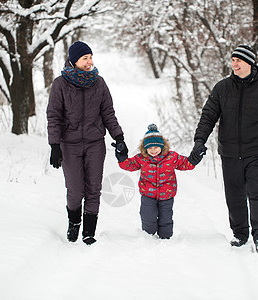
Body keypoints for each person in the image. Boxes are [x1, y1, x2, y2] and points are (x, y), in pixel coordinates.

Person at [192, 45, 258, 254]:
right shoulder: (222, 88)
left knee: (257, 192)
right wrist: (200, 140)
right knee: (234, 195)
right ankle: (240, 233)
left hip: (257, 151)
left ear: (250, 63)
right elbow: (208, 116)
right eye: (233, 60)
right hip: (230, 152)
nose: (234, 64)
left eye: (239, 60)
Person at [47, 41, 127, 245]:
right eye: (85, 58)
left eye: (91, 57)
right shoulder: (60, 84)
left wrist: (118, 137)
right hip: (69, 144)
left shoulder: (98, 83)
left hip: (94, 144)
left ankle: (89, 232)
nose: (90, 61)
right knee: (75, 190)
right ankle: (74, 223)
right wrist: (55, 145)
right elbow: (54, 116)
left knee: (94, 189)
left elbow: (108, 113)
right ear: (74, 60)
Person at [114, 124, 206, 239]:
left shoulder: (171, 157)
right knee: (148, 217)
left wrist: (196, 156)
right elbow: (128, 165)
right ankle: (148, 237)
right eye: (150, 148)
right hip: (148, 195)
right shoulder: (141, 158)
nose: (153, 150)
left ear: (162, 146)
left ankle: (165, 238)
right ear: (145, 148)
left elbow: (186, 164)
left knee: (166, 219)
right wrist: (121, 156)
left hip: (167, 196)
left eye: (156, 147)